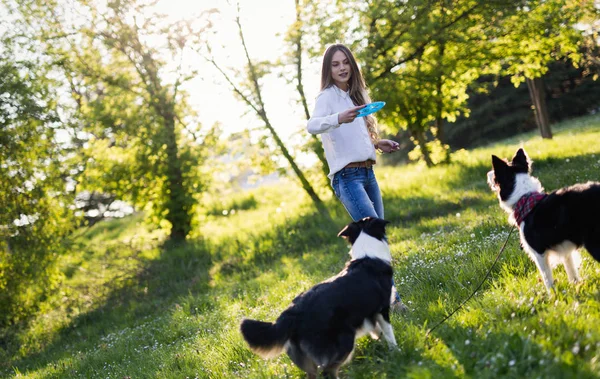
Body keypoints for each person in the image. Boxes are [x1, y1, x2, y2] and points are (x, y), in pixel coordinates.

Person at [307, 43, 407, 313]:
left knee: (378, 236)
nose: (342, 68)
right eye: (335, 64)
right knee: (374, 238)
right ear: (328, 69)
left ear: (352, 64)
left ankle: (375, 297)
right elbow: (312, 125)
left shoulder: (355, 94)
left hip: (367, 173)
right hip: (347, 177)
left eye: (345, 63)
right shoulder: (326, 97)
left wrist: (377, 144)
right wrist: (337, 118)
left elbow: (356, 137)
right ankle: (392, 301)